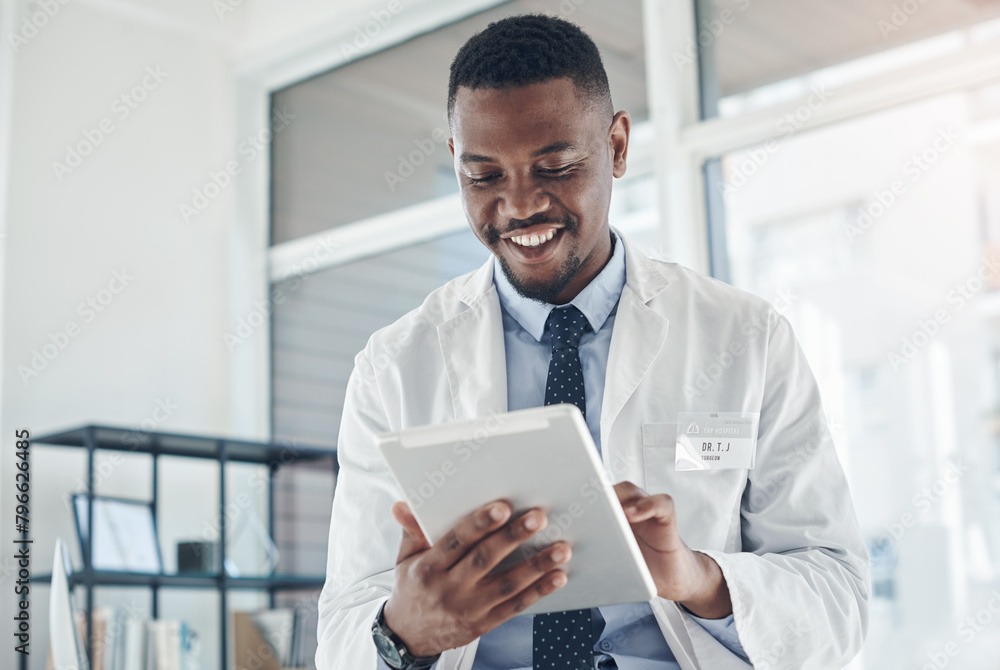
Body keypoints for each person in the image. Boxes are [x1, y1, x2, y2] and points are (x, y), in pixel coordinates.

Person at [316, 13, 869, 670]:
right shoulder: (393, 366)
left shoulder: (747, 338)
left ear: (618, 146)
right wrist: (403, 631)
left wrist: (697, 579)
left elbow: (839, 600)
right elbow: (342, 629)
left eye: (555, 166)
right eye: (484, 176)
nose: (520, 206)